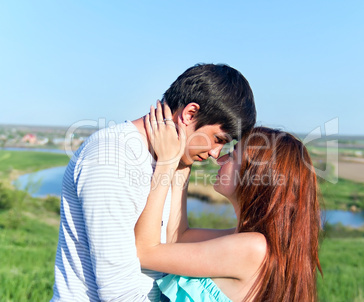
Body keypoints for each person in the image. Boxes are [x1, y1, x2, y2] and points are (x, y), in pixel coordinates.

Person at [51, 64, 256, 301]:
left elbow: (174, 241)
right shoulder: (113, 156)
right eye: (217, 139)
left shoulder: (171, 160)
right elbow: (117, 291)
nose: (215, 153)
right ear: (189, 114)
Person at [135, 105, 322, 302]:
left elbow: (144, 252)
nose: (220, 159)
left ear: (254, 176)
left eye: (232, 155)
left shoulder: (253, 248)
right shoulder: (247, 238)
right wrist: (183, 165)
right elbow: (179, 238)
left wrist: (166, 164)